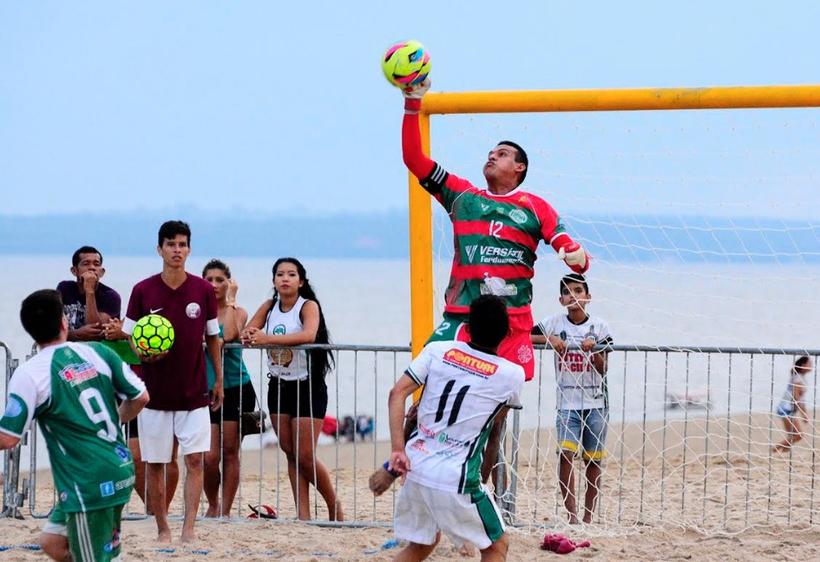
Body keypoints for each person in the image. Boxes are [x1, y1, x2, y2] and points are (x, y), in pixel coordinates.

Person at [370, 77, 592, 494]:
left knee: (492, 421)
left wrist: (575, 255)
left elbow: (569, 246)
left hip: (511, 325)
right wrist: (412, 103)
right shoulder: (463, 197)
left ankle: (473, 493)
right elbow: (414, 158)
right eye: (490, 152)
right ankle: (402, 469)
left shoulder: (534, 206)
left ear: (519, 168)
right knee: (421, 403)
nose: (492, 156)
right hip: (461, 317)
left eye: (502, 153)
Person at [0, 289, 149, 562]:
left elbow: (8, 438)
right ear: (64, 322)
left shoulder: (31, 373)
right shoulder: (98, 353)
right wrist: (115, 420)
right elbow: (141, 397)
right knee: (52, 542)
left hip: (89, 482)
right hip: (119, 467)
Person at [387, 295, 524, 562]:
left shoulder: (437, 350)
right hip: (456, 475)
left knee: (421, 546)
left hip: (416, 464)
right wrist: (482, 479)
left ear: (467, 328)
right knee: (497, 545)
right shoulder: (512, 375)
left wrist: (397, 450)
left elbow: (396, 394)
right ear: (507, 333)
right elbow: (494, 431)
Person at [121, 220, 224, 543]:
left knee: (195, 460)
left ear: (189, 249)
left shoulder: (203, 290)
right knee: (156, 463)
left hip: (194, 392)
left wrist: (218, 379)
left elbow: (214, 338)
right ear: (159, 249)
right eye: (170, 244)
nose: (176, 250)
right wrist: (142, 353)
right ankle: (163, 528)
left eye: (182, 244)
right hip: (154, 394)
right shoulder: (143, 290)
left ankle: (188, 528)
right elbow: (129, 336)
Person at [241, 257, 342, 520]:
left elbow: (308, 335)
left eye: (291, 274)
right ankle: (303, 514)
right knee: (290, 451)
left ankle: (334, 505)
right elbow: (248, 332)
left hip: (308, 386)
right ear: (273, 281)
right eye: (280, 274)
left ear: (301, 281)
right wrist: (249, 334)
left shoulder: (308, 306)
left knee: (305, 454)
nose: (285, 279)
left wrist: (267, 339)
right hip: (279, 385)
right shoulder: (269, 306)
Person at [532, 273, 613, 524]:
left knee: (593, 461)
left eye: (578, 291)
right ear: (560, 299)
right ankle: (572, 517)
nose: (573, 296)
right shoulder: (554, 322)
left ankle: (589, 517)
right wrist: (551, 339)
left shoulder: (599, 326)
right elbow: (526, 336)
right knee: (566, 456)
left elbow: (603, 368)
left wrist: (595, 348)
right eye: (567, 292)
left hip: (596, 403)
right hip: (567, 403)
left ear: (587, 297)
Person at [201, 259, 257, 517]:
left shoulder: (238, 311)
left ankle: (225, 509)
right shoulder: (198, 312)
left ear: (228, 283)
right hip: (206, 388)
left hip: (237, 387)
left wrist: (232, 300)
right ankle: (212, 504)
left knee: (231, 450)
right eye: (209, 279)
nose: (214, 285)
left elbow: (233, 334)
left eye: (219, 280)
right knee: (210, 457)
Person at [57, 245, 122, 342]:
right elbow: (52, 326)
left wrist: (89, 291)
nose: (92, 268)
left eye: (96, 264)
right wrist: (74, 334)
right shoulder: (64, 289)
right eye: (86, 264)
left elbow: (96, 332)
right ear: (74, 271)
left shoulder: (111, 296)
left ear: (102, 272)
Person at [773, 356, 813, 453]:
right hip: (785, 408)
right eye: (810, 363)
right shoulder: (798, 378)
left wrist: (805, 412)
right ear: (803, 366)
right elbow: (796, 398)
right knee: (798, 435)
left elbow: (801, 399)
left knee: (792, 436)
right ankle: (773, 450)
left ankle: (781, 454)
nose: (812, 366)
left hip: (788, 408)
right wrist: (803, 414)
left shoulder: (800, 377)